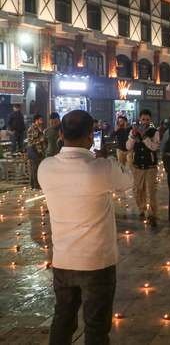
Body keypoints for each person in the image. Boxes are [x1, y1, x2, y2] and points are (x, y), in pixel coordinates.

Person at [38, 110, 133, 345]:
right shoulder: (101, 168)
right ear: (92, 135)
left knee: (62, 320)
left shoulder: (45, 167)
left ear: (60, 134)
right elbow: (129, 181)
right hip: (96, 262)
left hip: (63, 260)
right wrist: (108, 158)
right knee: (96, 328)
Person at [126, 109, 160, 227]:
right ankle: (141, 208)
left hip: (150, 166)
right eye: (143, 119)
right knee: (138, 189)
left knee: (151, 190)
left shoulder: (154, 132)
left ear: (150, 121)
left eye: (147, 120)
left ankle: (152, 214)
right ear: (139, 119)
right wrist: (133, 135)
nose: (145, 122)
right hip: (137, 165)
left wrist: (144, 136)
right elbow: (128, 146)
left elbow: (154, 147)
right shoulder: (133, 131)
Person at [27, 114, 45, 189]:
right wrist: (41, 139)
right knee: (35, 168)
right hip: (34, 150)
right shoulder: (31, 129)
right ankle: (35, 185)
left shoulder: (38, 128)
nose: (42, 121)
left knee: (36, 167)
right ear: (36, 120)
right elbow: (30, 141)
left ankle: (33, 185)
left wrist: (40, 133)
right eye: (40, 119)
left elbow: (41, 137)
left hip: (39, 150)